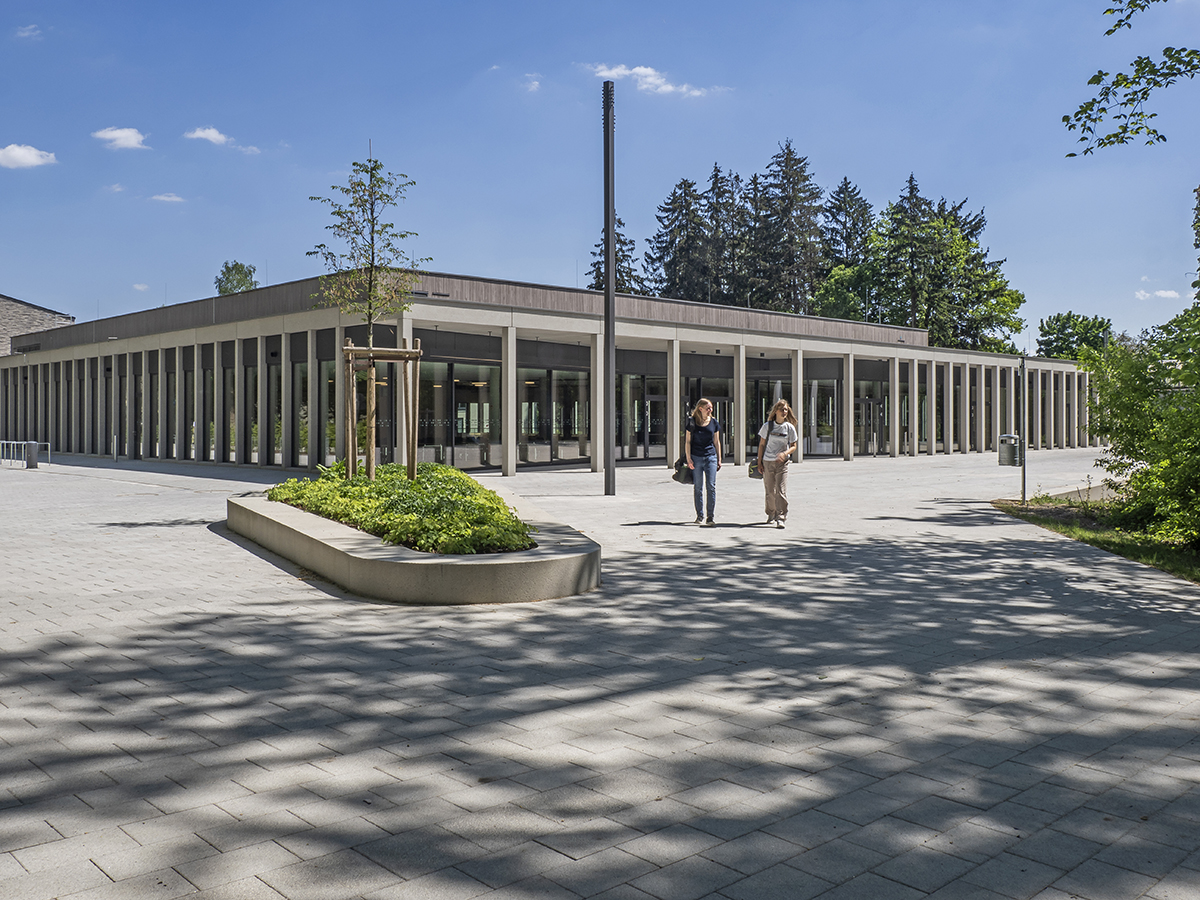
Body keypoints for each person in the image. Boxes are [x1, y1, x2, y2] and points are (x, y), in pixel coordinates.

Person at [756, 398, 799, 528]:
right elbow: (762, 445)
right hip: (768, 461)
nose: (784, 411)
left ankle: (781, 517)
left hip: (783, 463)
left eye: (786, 409)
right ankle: (771, 513)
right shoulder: (767, 426)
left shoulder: (789, 427)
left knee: (781, 490)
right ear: (776, 411)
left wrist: (785, 454)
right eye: (781, 409)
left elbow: (793, 446)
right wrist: (759, 462)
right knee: (770, 490)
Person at [685, 398, 721, 526]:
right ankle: (699, 515)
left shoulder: (714, 422)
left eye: (711, 408)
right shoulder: (692, 422)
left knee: (711, 486)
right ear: (701, 409)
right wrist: (688, 458)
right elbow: (688, 442)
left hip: (711, 457)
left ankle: (710, 517)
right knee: (698, 487)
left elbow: (716, 442)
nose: (710, 410)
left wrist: (719, 458)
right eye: (708, 408)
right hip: (696, 457)